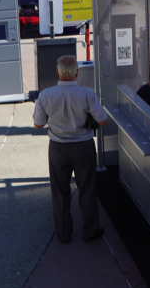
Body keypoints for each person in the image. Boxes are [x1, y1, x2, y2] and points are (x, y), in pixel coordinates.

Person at [33, 56, 108, 244]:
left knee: (59, 192)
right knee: (87, 190)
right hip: (84, 147)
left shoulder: (45, 95)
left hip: (58, 148)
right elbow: (102, 120)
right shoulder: (87, 93)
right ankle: (90, 230)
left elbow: (38, 124)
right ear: (77, 72)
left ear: (57, 72)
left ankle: (64, 233)